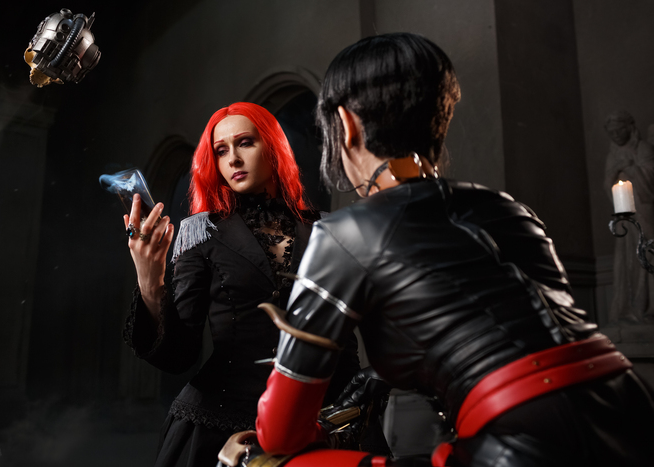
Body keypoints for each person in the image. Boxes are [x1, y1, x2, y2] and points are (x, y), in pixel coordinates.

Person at [245, 34, 654, 467]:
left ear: (345, 125)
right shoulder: (509, 208)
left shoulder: (342, 233)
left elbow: (279, 432)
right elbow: (512, 335)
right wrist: (376, 377)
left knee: (262, 462)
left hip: (527, 446)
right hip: (636, 415)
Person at [122, 102, 362, 467]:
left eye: (245, 142)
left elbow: (344, 345)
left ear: (273, 147)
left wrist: (354, 412)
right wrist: (149, 278)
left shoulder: (327, 230)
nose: (233, 158)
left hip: (318, 424)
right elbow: (179, 355)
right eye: (221, 151)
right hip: (219, 427)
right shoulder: (201, 233)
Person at [603, 111, 654, 324]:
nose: (616, 135)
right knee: (629, 255)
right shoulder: (613, 155)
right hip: (626, 214)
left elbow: (650, 176)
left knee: (648, 249)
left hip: (644, 207)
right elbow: (608, 183)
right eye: (612, 132)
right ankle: (630, 308)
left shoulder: (642, 148)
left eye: (619, 130)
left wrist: (631, 170)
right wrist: (615, 170)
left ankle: (649, 307)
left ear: (629, 128)